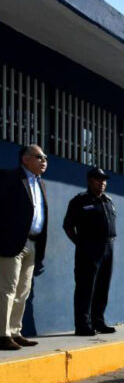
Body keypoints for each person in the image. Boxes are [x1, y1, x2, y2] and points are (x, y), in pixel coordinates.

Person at [0, 145, 48, 351]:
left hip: (33, 243)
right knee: (7, 289)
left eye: (45, 157)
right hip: (11, 243)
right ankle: (2, 335)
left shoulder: (41, 184)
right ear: (25, 159)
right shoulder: (10, 177)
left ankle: (15, 331)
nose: (44, 161)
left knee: (23, 291)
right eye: (39, 157)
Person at [63, 167, 117, 336]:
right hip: (88, 247)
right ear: (89, 180)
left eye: (104, 180)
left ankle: (98, 322)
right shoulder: (80, 201)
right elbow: (68, 226)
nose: (102, 183)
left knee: (102, 286)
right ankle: (83, 325)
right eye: (98, 179)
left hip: (108, 247)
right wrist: (81, 244)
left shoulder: (108, 201)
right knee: (85, 287)